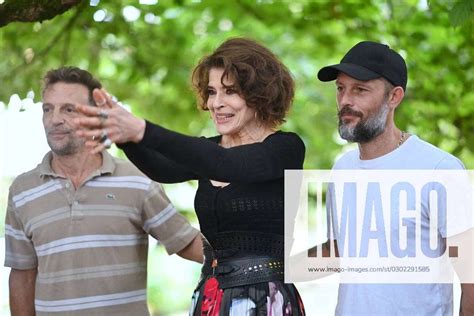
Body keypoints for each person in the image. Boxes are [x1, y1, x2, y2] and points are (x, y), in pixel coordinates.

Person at [75, 38, 306, 315]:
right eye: (211, 92)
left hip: (266, 301)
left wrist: (142, 130)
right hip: (211, 297)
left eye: (229, 91)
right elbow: (161, 168)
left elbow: (227, 165)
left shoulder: (285, 148)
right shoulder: (209, 150)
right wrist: (122, 135)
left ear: (259, 94)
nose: (216, 103)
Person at [4, 67, 203, 315]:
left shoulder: (137, 180)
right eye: (47, 108)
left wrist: (254, 258)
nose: (54, 119)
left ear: (95, 116)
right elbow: (22, 275)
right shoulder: (23, 191)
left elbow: (186, 242)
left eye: (68, 109)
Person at [317, 41, 474, 315]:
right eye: (340, 88)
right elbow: (341, 250)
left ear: (394, 97)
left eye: (360, 90)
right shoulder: (342, 169)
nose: (345, 101)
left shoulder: (439, 169)